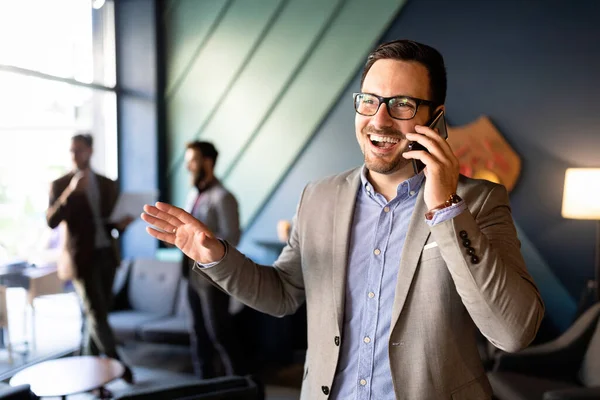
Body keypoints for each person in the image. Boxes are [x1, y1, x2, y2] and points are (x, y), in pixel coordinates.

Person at [141, 40, 544, 399]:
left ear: (435, 118)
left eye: (402, 104)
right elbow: (282, 293)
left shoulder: (479, 201)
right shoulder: (319, 196)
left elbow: (513, 332)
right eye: (369, 101)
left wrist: (445, 208)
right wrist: (216, 255)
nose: (380, 120)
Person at [46, 133, 134, 384]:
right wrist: (71, 193)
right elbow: (51, 221)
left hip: (107, 254)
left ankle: (89, 374)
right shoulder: (61, 184)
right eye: (71, 150)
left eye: (79, 150)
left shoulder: (107, 183)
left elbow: (114, 223)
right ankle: (119, 364)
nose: (75, 155)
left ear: (90, 151)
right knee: (96, 315)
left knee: (95, 316)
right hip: (80, 260)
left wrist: (122, 224)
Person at [181, 141, 243, 379]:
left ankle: (242, 386)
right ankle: (203, 386)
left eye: (192, 160)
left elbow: (232, 237)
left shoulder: (223, 197)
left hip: (212, 278)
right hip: (190, 275)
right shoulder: (193, 195)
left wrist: (202, 242)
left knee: (220, 333)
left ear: (207, 162)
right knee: (197, 334)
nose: (188, 166)